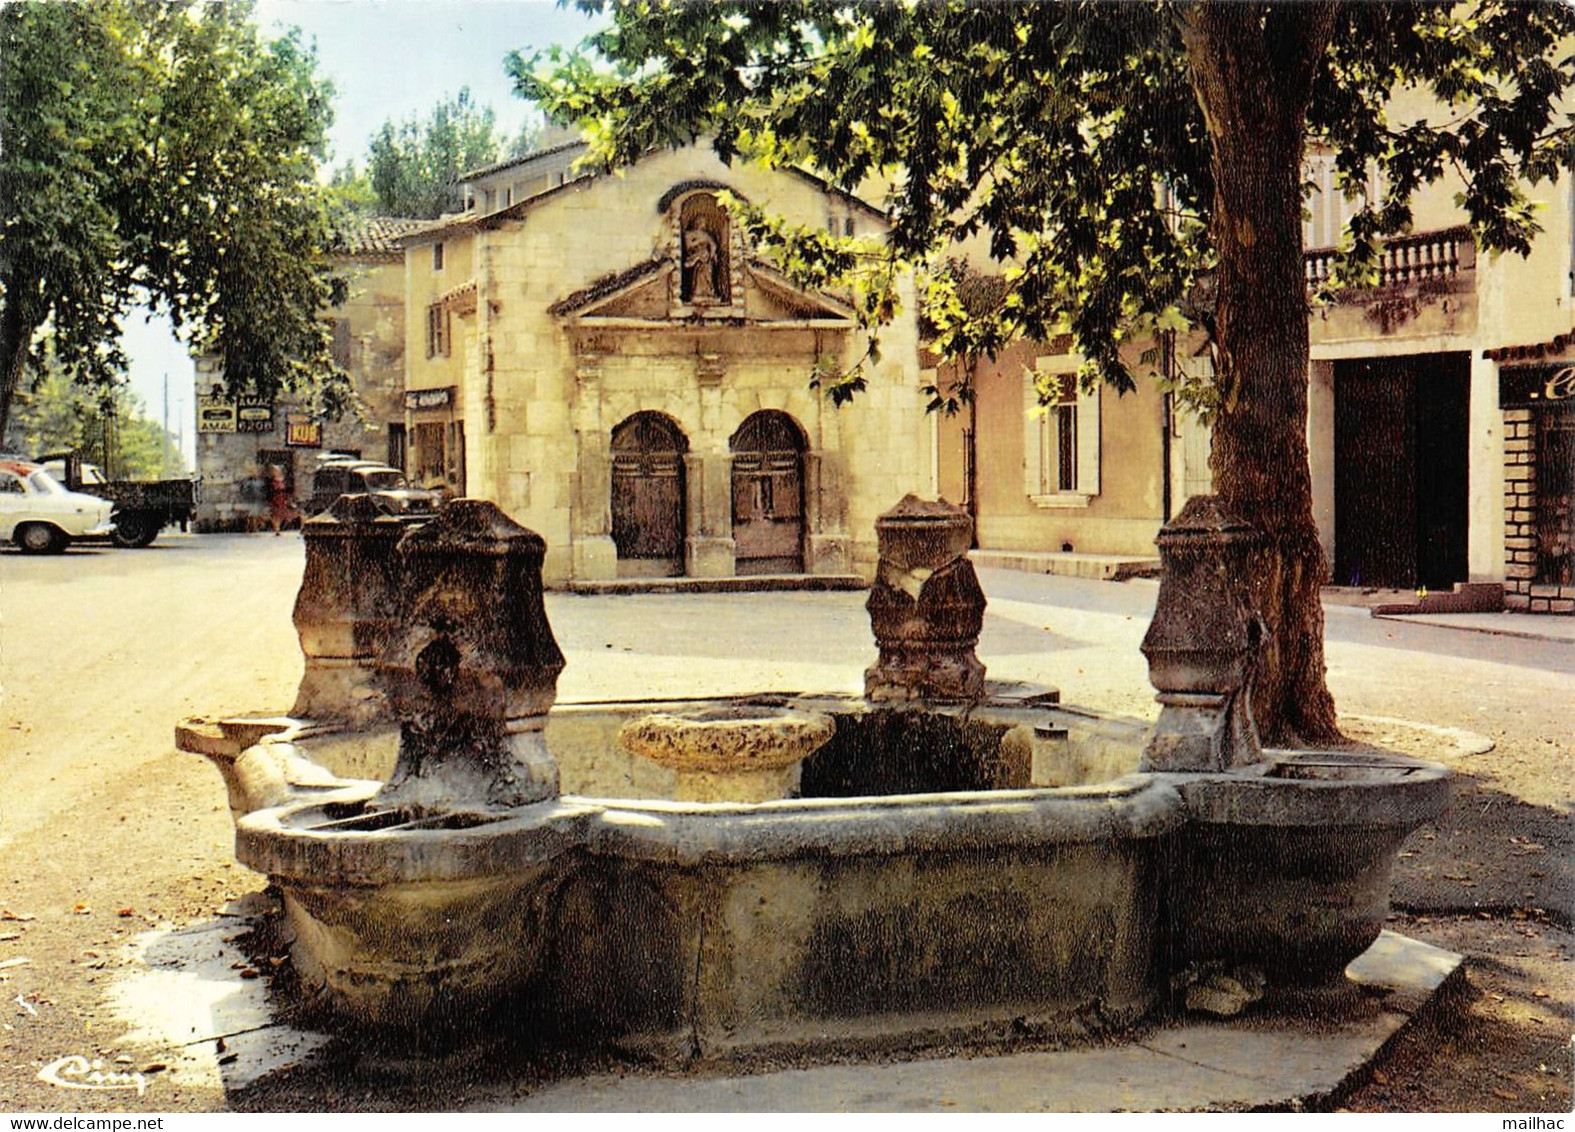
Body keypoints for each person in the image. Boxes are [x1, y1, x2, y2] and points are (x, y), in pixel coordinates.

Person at [267, 465, 293, 535]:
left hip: (283, 498)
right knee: (275, 514)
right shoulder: (270, 480)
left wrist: (289, 498)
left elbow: (289, 489)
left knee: (282, 514)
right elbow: (269, 490)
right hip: (275, 498)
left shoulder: (285, 480)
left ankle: (280, 527)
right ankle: (277, 529)